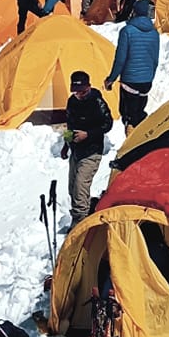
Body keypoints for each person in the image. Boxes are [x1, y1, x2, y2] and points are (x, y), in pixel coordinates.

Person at [61, 72, 113, 223]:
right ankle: (84, 214)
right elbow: (70, 124)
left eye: (82, 92)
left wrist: (88, 134)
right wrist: (66, 144)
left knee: (79, 187)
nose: (79, 95)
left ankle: (80, 223)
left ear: (89, 87)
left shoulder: (97, 101)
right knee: (72, 188)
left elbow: (107, 124)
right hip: (76, 151)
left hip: (92, 151)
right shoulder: (72, 101)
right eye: (76, 92)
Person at [105, 0, 161, 129]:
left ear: (134, 12)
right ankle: (141, 140)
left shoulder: (127, 31)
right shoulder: (154, 33)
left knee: (128, 116)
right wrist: (150, 77)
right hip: (146, 82)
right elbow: (155, 60)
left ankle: (130, 141)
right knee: (139, 115)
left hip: (130, 81)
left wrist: (111, 79)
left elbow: (120, 59)